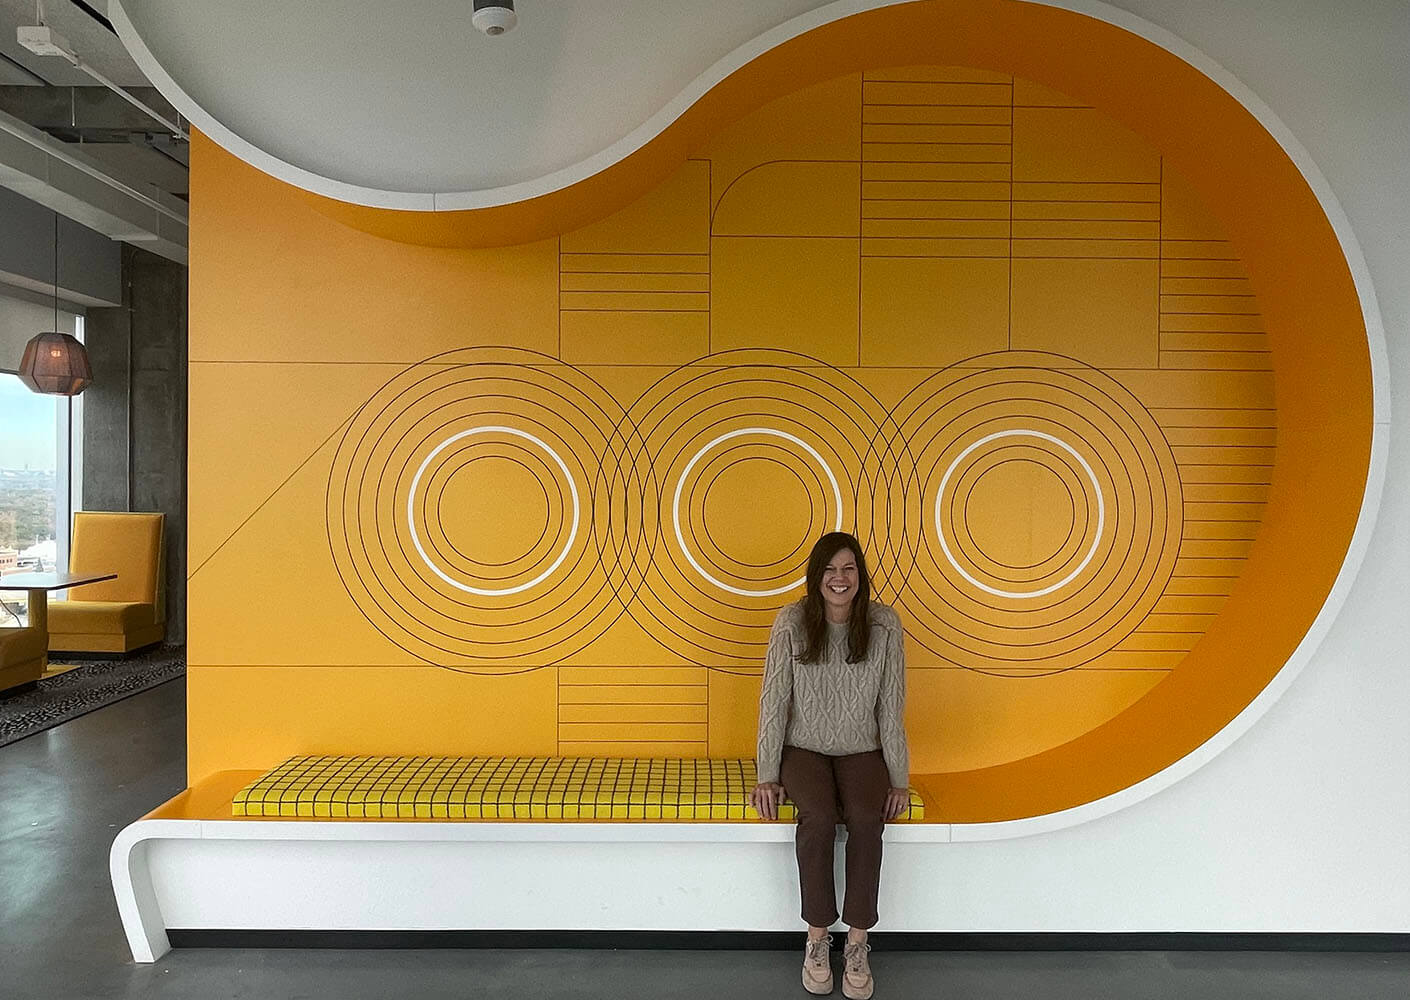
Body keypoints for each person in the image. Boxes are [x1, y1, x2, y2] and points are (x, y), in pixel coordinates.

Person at [749, 531, 910, 999]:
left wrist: (898, 778)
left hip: (863, 751)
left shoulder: (884, 625)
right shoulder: (792, 622)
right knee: (817, 818)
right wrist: (767, 774)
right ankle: (817, 939)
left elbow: (891, 707)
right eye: (830, 569)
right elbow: (773, 702)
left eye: (849, 569)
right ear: (816, 576)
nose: (839, 579)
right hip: (804, 751)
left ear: (859, 575)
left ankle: (857, 943)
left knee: (865, 817)